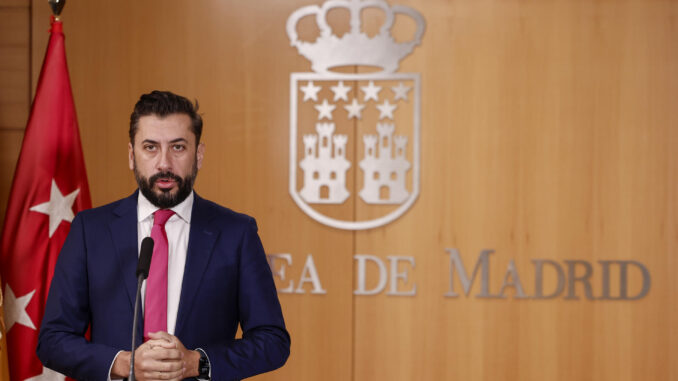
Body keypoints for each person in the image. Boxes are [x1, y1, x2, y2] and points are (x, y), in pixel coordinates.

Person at [37, 90, 290, 380]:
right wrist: (123, 363)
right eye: (150, 147)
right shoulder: (90, 230)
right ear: (132, 156)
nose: (164, 164)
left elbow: (273, 341)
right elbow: (53, 340)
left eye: (178, 147)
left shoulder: (236, 233)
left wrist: (197, 362)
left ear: (199, 154)